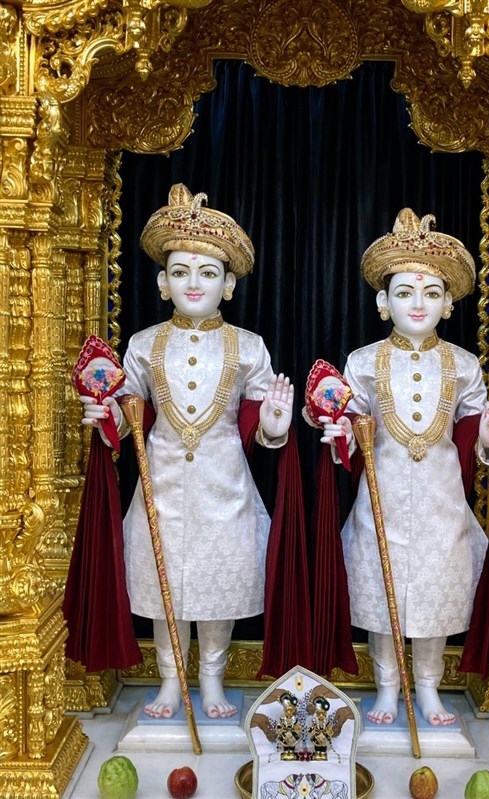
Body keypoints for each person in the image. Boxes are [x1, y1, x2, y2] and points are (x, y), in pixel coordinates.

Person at [81, 185, 293, 720]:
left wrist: (272, 425)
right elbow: (132, 411)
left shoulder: (249, 346)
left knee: (219, 586)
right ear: (162, 283)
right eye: (180, 272)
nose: (193, 282)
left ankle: (213, 680)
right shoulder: (143, 344)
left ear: (228, 285)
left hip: (226, 487)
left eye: (207, 272)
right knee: (164, 585)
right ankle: (171, 682)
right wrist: (106, 416)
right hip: (163, 485)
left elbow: (257, 417)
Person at [317, 209, 489, 726]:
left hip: (442, 503)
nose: (418, 303)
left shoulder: (464, 365)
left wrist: (488, 439)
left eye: (430, 293)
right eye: (404, 292)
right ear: (383, 303)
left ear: (448, 304)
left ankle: (427, 688)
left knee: (435, 596)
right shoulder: (362, 362)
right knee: (383, 595)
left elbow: (470, 430)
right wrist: (341, 436)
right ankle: (386, 687)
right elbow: (350, 421)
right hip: (380, 499)